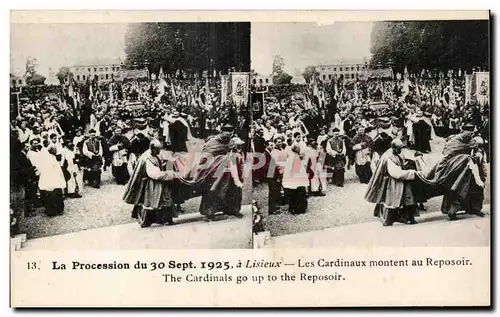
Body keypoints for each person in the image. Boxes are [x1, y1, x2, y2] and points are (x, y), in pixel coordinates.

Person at [123, 139, 178, 227]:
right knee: (151, 202)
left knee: (166, 199)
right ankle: (146, 221)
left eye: (160, 149)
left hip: (159, 180)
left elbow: (161, 162)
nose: (159, 151)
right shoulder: (148, 158)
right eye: (157, 150)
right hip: (151, 182)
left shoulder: (156, 153)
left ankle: (168, 219)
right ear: (152, 149)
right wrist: (169, 174)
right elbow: (154, 174)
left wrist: (167, 164)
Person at [365, 139, 419, 226]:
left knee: (408, 198)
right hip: (393, 182)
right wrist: (413, 173)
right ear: (393, 147)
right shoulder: (389, 157)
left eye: (401, 148)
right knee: (392, 202)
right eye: (399, 149)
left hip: (400, 180)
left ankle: (408, 218)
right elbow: (396, 174)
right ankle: (389, 220)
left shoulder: (396, 153)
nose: (401, 151)